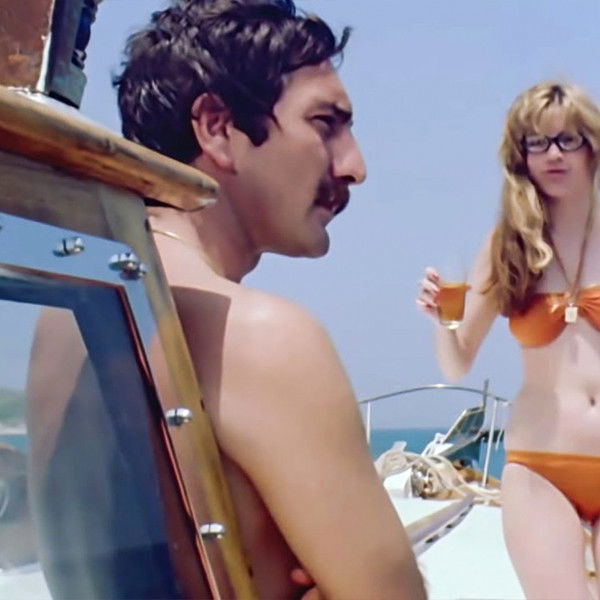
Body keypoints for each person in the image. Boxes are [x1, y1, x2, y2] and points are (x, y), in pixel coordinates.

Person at [113, 1, 426, 598]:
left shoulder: (71, 314)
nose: (355, 166)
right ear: (217, 128)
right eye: (325, 123)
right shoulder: (258, 334)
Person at [417, 80, 600, 599]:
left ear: (592, 146)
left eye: (567, 139)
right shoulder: (508, 246)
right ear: (521, 156)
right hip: (540, 468)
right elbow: (457, 365)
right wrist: (442, 318)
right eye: (537, 142)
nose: (553, 154)